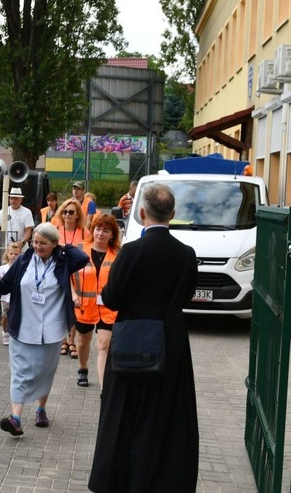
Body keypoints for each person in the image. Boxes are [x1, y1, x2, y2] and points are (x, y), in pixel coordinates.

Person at [88, 184, 198, 492]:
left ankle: (120, 480)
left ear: (140, 213)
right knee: (167, 414)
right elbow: (186, 296)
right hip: (171, 341)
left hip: (132, 340)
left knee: (124, 413)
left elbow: (111, 297)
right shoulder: (186, 254)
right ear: (172, 215)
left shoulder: (131, 251)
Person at [0, 223, 89, 436]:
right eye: (35, 242)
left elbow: (82, 258)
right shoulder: (24, 260)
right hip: (22, 324)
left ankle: (41, 409)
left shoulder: (63, 261)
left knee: (44, 371)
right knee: (20, 372)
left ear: (53, 243)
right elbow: (5, 286)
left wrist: (63, 247)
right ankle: (15, 417)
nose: (38, 246)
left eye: (43, 243)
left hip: (51, 327)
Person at [70, 214, 120, 388]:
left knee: (104, 345)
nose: (100, 233)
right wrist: (72, 294)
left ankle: (104, 388)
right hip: (84, 306)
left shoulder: (118, 254)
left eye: (106, 231)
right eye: (98, 229)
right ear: (92, 230)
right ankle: (83, 369)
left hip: (109, 307)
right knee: (83, 343)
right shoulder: (79, 249)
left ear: (112, 234)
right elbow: (67, 275)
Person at [54, 198, 86, 358]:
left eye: (71, 212)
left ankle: (71, 340)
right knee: (59, 305)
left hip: (78, 273)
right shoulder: (55, 229)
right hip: (59, 271)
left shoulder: (84, 232)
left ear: (77, 214)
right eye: (65, 211)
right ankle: (62, 340)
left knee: (73, 307)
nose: (67, 214)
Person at [0, 241, 22, 346]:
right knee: (5, 316)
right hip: (6, 298)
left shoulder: (22, 269)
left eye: (16, 254)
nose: (13, 256)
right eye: (11, 254)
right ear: (7, 254)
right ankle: (5, 332)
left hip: (17, 298)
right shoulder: (2, 269)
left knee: (16, 316)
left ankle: (15, 333)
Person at [0, 187, 34, 253]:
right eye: (11, 198)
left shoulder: (27, 212)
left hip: (21, 249)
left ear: (21, 200)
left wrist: (22, 242)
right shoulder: (3, 211)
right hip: (6, 248)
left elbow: (28, 231)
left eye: (16, 199)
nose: (13, 201)